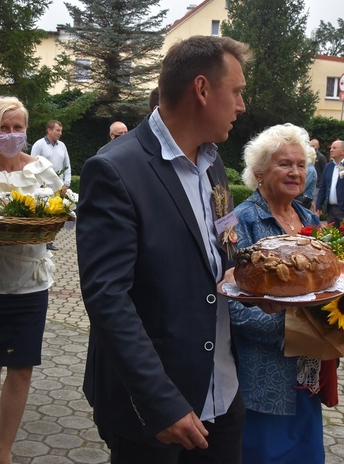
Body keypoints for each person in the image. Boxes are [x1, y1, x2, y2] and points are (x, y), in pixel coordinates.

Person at [76, 35, 250, 463]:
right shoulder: (114, 169)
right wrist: (161, 402)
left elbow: (225, 246)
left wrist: (259, 285)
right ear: (203, 89)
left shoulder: (214, 164)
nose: (242, 106)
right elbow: (107, 298)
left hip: (223, 395)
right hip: (156, 412)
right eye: (238, 92)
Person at [0, 96, 63, 464]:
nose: (11, 134)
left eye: (18, 127)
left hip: (32, 281)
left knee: (21, 365)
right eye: (3, 127)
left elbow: (62, 206)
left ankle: (3, 447)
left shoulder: (41, 168)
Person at [231, 124, 332, 463]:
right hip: (263, 379)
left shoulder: (309, 220)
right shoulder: (242, 221)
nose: (295, 171)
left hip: (306, 374)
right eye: (284, 164)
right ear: (259, 173)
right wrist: (300, 331)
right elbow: (233, 305)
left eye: (301, 164)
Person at [30, 119, 70, 250]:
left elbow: (67, 165)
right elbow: (32, 165)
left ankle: (49, 239)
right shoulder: (39, 145)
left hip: (58, 187)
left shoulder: (62, 146)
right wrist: (37, 185)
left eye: (61, 131)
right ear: (49, 130)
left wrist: (66, 183)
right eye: (58, 130)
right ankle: (40, 239)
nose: (60, 133)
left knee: (55, 214)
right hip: (43, 187)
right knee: (43, 213)